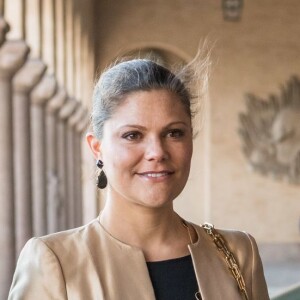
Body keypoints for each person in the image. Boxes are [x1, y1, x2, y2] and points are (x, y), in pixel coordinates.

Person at [9, 58, 270, 300]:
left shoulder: (238, 252)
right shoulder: (55, 262)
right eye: (133, 135)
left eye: (174, 133)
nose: (157, 152)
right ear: (96, 147)